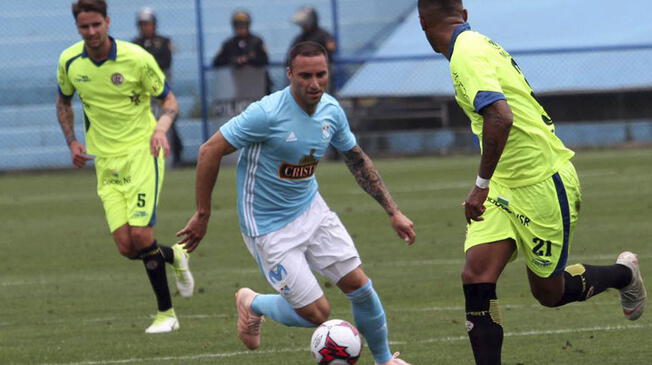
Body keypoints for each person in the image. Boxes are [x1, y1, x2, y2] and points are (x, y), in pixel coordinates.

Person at [417, 1, 647, 364]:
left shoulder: (466, 53)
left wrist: (480, 183)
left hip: (543, 183)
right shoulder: (477, 43)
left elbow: (500, 117)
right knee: (476, 274)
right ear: (464, 12)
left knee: (549, 293)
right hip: (504, 186)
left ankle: (623, 274)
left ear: (421, 21)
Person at [177, 41, 415, 365]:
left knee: (360, 286)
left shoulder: (331, 110)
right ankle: (253, 303)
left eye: (321, 74)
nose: (314, 83)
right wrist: (202, 214)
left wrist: (393, 211)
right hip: (267, 225)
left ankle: (385, 360)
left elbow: (357, 160)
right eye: (305, 76)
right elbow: (209, 150)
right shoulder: (266, 113)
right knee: (319, 313)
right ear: (289, 73)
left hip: (311, 209)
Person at [55, 0, 194, 334]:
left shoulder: (137, 59)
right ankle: (173, 256)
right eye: (84, 27)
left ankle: (167, 314)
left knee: (141, 234)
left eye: (96, 25)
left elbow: (169, 101)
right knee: (126, 246)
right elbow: (63, 102)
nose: (91, 32)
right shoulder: (70, 61)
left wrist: (160, 129)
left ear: (107, 22)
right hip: (106, 160)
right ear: (78, 28)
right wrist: (73, 141)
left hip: (142, 152)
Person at [132, 7, 184, 167]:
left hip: (161, 87)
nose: (145, 27)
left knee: (169, 118)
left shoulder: (164, 42)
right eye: (142, 24)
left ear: (154, 24)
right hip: (143, 91)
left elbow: (165, 62)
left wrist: (146, 62)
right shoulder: (135, 44)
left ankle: (176, 155)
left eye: (148, 24)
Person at [212, 10, 270, 94]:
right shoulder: (229, 44)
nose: (240, 28)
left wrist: (248, 60)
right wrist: (233, 61)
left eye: (243, 25)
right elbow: (217, 62)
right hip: (236, 88)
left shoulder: (256, 42)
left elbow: (264, 59)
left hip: (257, 85)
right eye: (237, 25)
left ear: (248, 25)